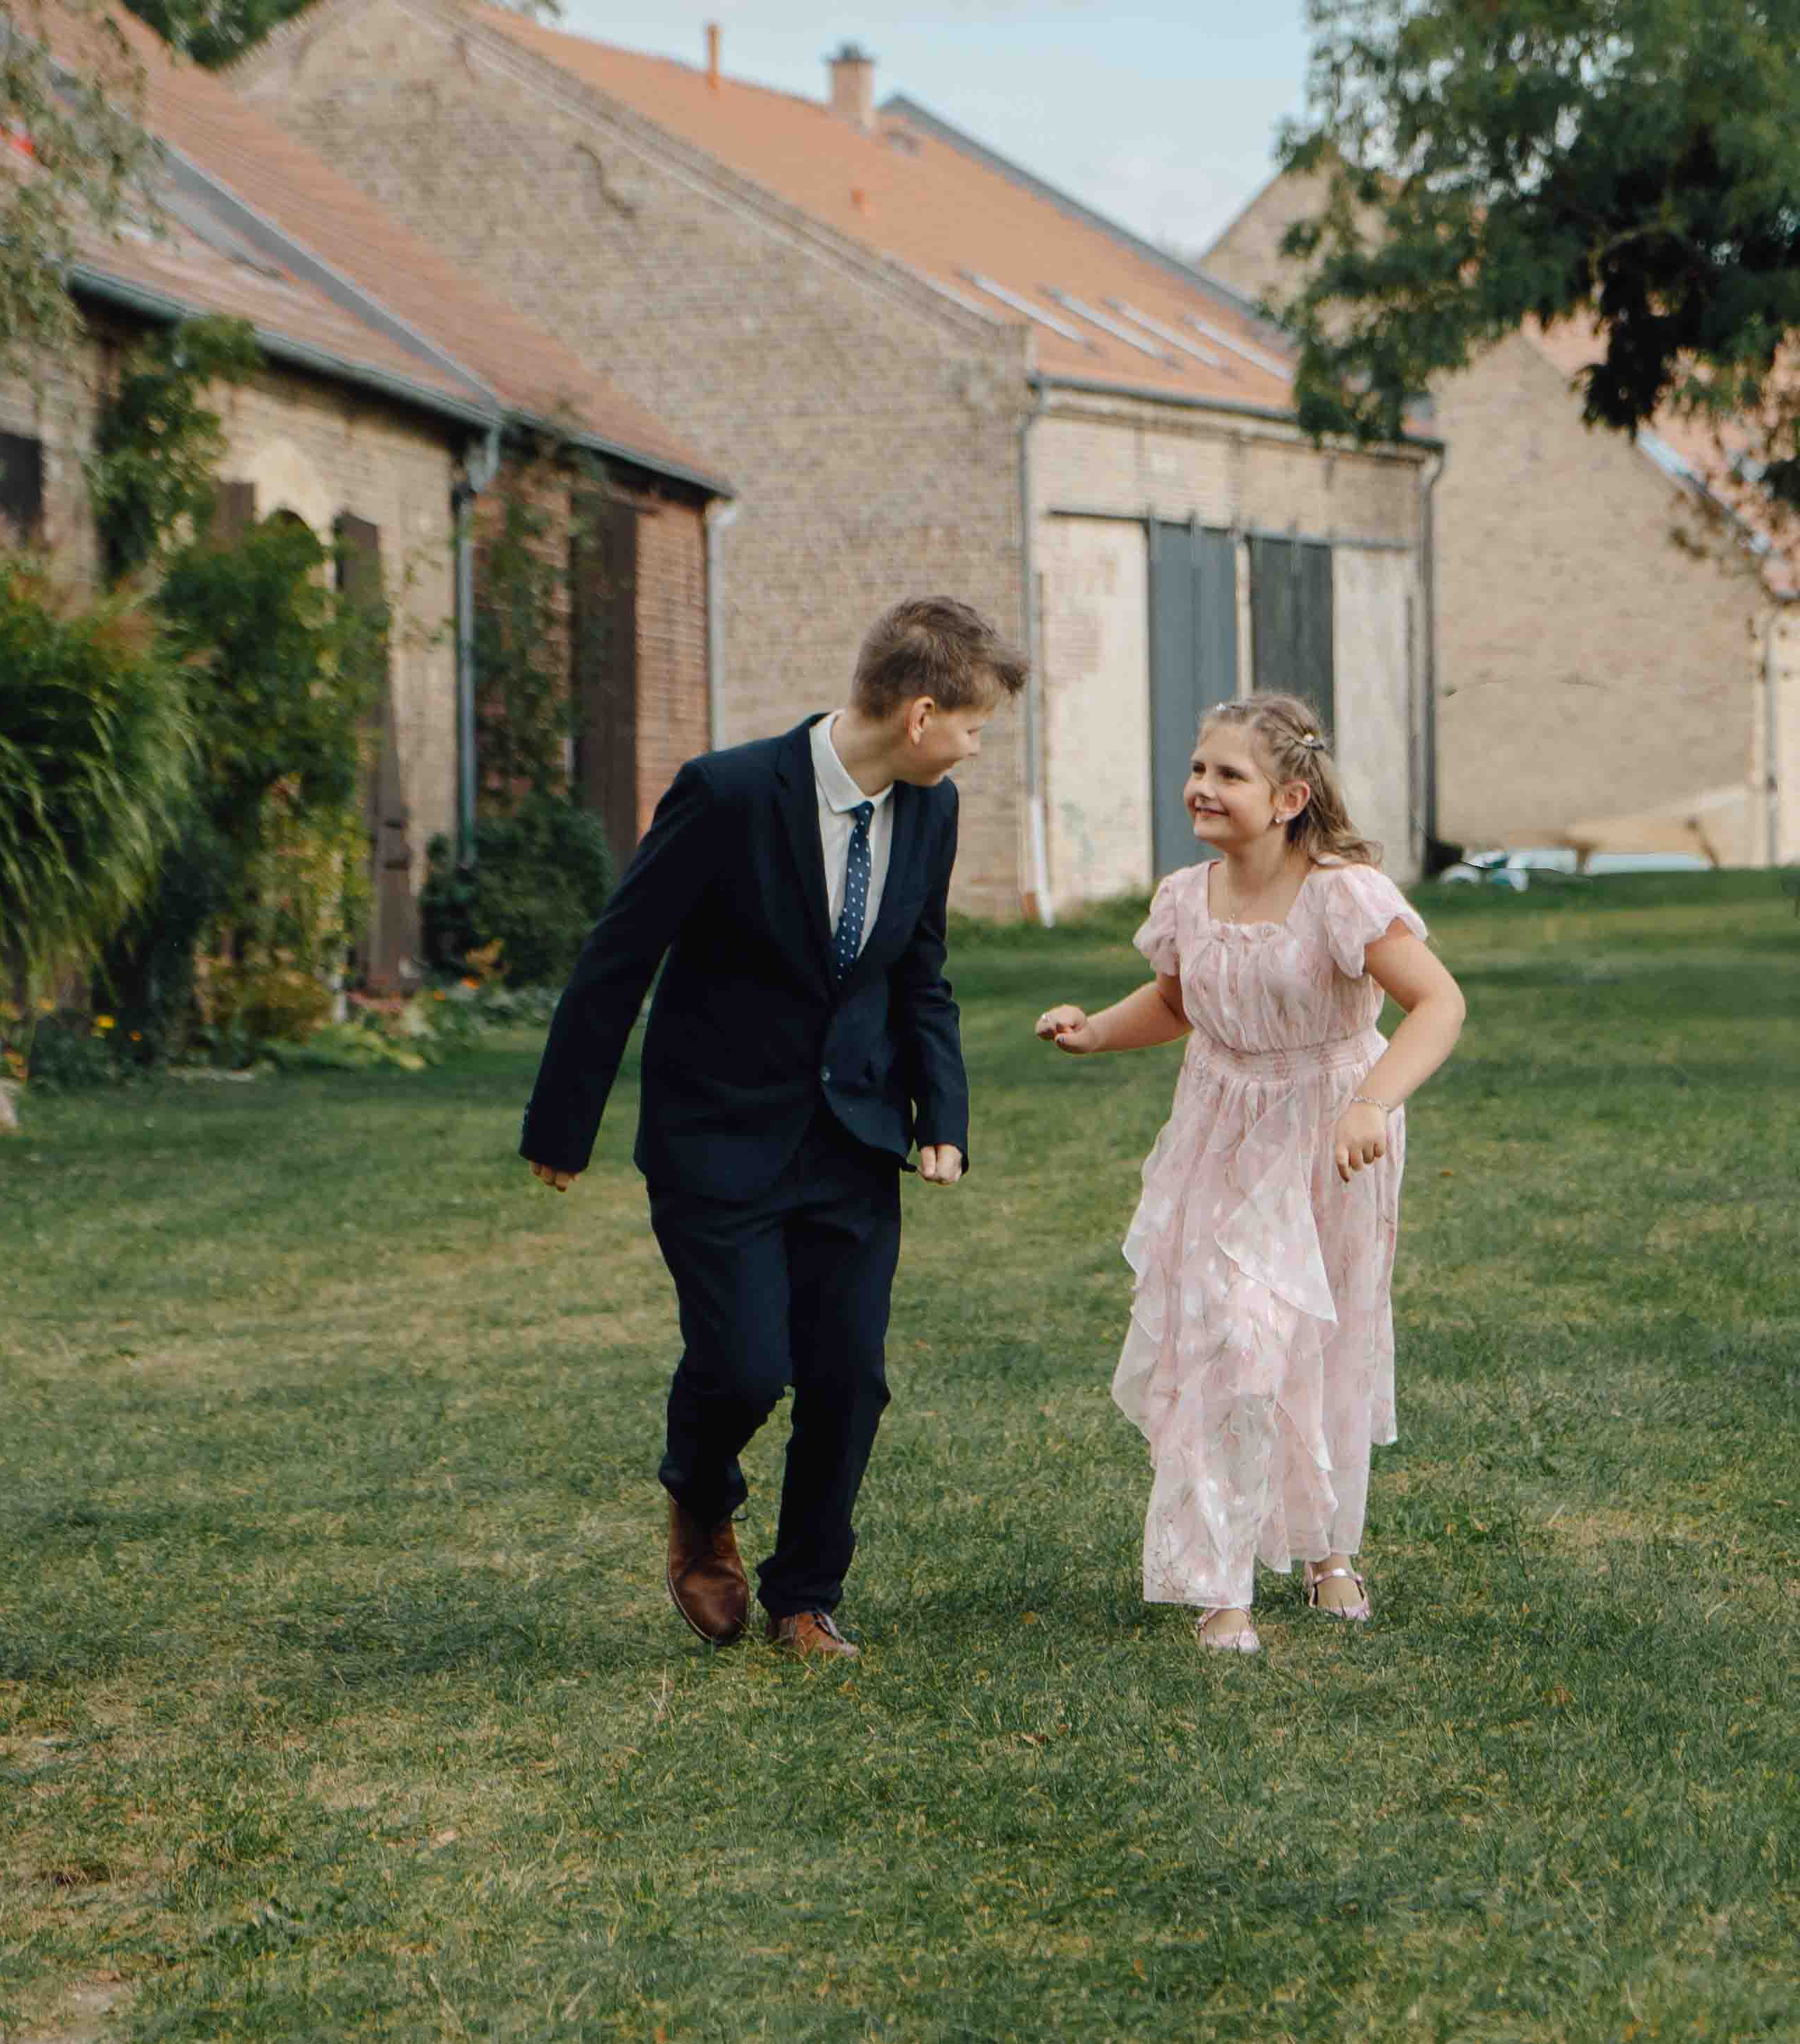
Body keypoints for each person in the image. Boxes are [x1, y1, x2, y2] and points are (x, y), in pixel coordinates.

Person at [521, 592, 1027, 1661]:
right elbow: (620, 959)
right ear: (924, 714)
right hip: (718, 1138)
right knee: (747, 1366)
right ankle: (700, 1499)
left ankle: (805, 1599)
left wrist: (942, 1113)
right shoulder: (729, 793)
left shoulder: (930, 810)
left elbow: (920, 973)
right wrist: (563, 1127)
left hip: (852, 1138)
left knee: (850, 1373)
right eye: (977, 726)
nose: (979, 749)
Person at [1035, 689, 1465, 1655]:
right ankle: (1218, 1584)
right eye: (1198, 769)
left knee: (1321, 1343)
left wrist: (1371, 1103)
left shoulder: (1342, 895)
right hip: (1219, 1132)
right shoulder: (1186, 898)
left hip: (1331, 1135)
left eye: (1229, 774)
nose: (1202, 788)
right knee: (1226, 1338)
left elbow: (1438, 1005)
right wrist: (1097, 1031)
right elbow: (1178, 1002)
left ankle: (1327, 1551)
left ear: (1289, 798)